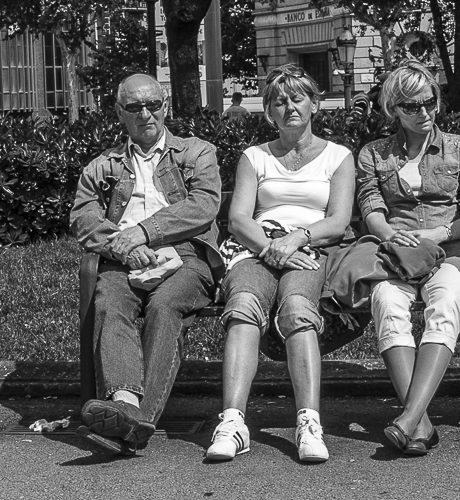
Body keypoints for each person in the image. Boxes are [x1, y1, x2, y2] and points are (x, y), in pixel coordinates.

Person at [205, 65, 358, 463]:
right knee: (243, 304)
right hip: (257, 247)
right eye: (279, 101)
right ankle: (233, 422)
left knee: (297, 309)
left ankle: (308, 423)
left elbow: (339, 220)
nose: (289, 106)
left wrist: (297, 240)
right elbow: (239, 218)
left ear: (315, 104)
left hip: (311, 249)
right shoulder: (253, 157)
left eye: (298, 98)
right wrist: (272, 247)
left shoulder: (338, 157)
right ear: (269, 112)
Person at [67, 74, 222, 455]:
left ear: (166, 106)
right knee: (110, 300)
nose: (146, 114)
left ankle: (136, 419)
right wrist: (125, 249)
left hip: (187, 255)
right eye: (135, 107)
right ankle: (125, 405)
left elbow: (203, 205)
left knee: (165, 305)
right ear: (120, 113)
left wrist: (144, 232)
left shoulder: (196, 153)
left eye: (153, 105)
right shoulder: (102, 167)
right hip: (126, 258)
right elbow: (83, 220)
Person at [354, 62, 460, 456]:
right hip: (397, 258)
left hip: (450, 255)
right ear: (393, 109)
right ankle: (421, 422)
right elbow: (370, 206)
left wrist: (438, 234)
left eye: (429, 102)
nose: (423, 113)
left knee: (445, 300)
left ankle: (409, 421)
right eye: (411, 107)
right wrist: (393, 234)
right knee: (387, 302)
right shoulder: (374, 154)